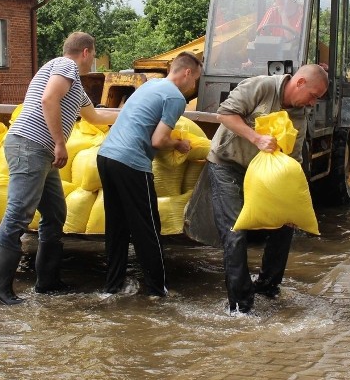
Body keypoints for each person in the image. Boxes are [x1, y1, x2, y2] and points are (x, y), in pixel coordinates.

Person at [0, 32, 118, 305]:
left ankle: (47, 281)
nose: (93, 60)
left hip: (40, 150)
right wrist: (59, 143)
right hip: (31, 145)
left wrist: (133, 111)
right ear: (86, 52)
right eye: (93, 55)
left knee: (55, 212)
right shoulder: (65, 66)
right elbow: (48, 99)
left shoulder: (75, 85)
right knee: (19, 213)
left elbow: (96, 117)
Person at [206, 63, 329, 314]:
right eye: (313, 95)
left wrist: (292, 205)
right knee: (235, 231)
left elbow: (293, 160)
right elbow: (224, 114)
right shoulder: (261, 86)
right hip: (228, 164)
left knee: (284, 225)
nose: (312, 102)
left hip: (261, 174)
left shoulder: (299, 114)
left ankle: (268, 287)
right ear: (300, 83)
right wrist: (256, 138)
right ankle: (241, 307)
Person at [97, 51, 204, 297]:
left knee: (117, 226)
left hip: (106, 157)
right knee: (149, 228)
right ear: (186, 73)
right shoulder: (176, 98)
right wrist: (178, 144)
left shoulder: (151, 85)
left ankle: (112, 288)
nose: (194, 85)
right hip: (131, 162)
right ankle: (158, 290)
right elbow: (158, 140)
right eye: (195, 79)